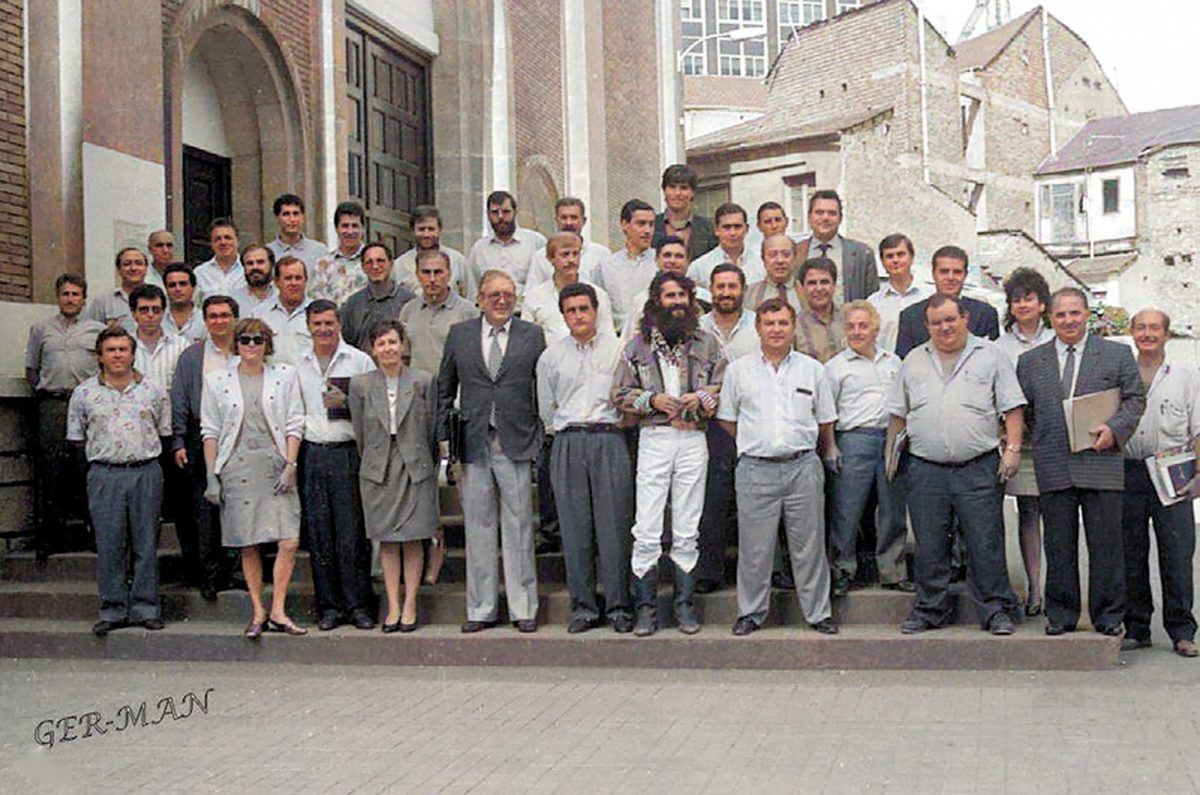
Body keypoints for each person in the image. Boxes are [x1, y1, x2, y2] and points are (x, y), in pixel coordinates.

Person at [888, 294, 1025, 635]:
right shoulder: (913, 360)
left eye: (950, 319)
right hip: (925, 467)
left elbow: (1012, 407)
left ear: (964, 318)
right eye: (936, 322)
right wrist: (892, 459)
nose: (944, 327)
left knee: (985, 542)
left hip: (977, 465)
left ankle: (994, 611)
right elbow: (898, 414)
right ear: (927, 326)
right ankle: (930, 610)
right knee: (930, 544)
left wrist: (1013, 449)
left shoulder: (991, 355)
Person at [1016, 287, 1145, 637]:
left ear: (1087, 314)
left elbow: (1135, 399)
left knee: (1105, 545)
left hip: (1102, 459)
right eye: (1061, 315)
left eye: (1075, 313)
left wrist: (1114, 430)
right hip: (1054, 462)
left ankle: (1107, 616)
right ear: (1050, 319)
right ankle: (1060, 614)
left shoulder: (1116, 355)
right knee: (1059, 544)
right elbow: (1027, 412)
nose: (1068, 320)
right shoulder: (1030, 362)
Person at [718, 298, 839, 636]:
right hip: (756, 469)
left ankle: (818, 613)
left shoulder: (812, 370)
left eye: (783, 323)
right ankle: (751, 612)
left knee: (809, 545)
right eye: (769, 323)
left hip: (803, 466)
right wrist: (758, 444)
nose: (776, 329)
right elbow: (728, 420)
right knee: (755, 548)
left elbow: (825, 420)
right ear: (758, 328)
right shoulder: (738, 370)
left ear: (792, 327)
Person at [613, 271, 724, 636]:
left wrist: (701, 397)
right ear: (655, 301)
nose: (676, 302)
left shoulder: (706, 342)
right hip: (655, 435)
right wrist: (652, 400)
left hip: (693, 436)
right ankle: (646, 609)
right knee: (646, 525)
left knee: (687, 525)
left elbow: (724, 384)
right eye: (669, 296)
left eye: (681, 296)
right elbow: (618, 393)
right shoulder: (637, 346)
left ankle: (684, 606)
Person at [437, 269, 546, 633]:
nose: (502, 300)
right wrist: (444, 439)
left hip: (515, 439)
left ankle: (523, 607)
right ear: (480, 299)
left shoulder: (532, 336)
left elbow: (540, 388)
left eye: (508, 294)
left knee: (519, 526)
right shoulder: (460, 335)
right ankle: (481, 608)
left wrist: (538, 435)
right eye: (494, 294)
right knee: (478, 527)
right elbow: (444, 389)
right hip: (473, 441)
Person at [536, 283, 634, 633]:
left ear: (596, 311)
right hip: (568, 441)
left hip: (609, 439)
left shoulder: (619, 349)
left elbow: (628, 399)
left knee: (613, 528)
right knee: (575, 529)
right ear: (563, 316)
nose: (578, 315)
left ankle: (620, 606)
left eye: (584, 309)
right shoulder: (551, 356)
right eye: (571, 310)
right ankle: (584, 607)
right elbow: (546, 408)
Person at [201, 318, 307, 638]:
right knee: (249, 542)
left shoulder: (284, 376)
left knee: (289, 539)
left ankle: (278, 608)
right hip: (238, 465)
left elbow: (294, 422)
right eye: (245, 340)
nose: (251, 345)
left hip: (276, 463)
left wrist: (291, 463)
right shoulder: (217, 380)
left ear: (267, 344)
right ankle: (258, 611)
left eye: (258, 340)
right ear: (236, 344)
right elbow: (210, 430)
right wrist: (212, 476)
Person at [67, 327, 172, 636]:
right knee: (110, 543)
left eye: (123, 349)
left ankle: (146, 608)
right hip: (104, 474)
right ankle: (113, 609)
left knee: (145, 543)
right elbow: (76, 441)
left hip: (145, 471)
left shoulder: (153, 390)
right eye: (110, 350)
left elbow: (164, 434)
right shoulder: (84, 393)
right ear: (100, 356)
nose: (117, 355)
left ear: (132, 353)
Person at [350, 320, 440, 632]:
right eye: (381, 344)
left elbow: (430, 430)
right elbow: (360, 433)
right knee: (387, 539)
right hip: (379, 467)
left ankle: (411, 603)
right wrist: (378, 457)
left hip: (414, 464)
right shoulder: (360, 385)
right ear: (372, 350)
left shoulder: (423, 381)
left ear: (402, 345)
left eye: (393, 342)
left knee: (414, 537)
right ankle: (393, 605)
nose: (388, 349)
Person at [1121, 309, 1199, 658]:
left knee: (1177, 555)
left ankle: (1182, 631)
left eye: (1155, 328)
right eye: (1141, 328)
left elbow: (1198, 429)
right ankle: (1137, 628)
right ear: (1132, 333)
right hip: (1129, 469)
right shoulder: (1121, 374)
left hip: (1173, 471)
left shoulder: (1186, 377)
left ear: (1167, 334)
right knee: (1130, 554)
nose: (1148, 334)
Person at [296, 300, 378, 631]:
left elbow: (373, 409)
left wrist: (349, 403)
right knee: (319, 535)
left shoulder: (359, 361)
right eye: (317, 324)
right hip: (313, 453)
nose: (324, 329)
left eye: (329, 323)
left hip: (348, 453)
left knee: (351, 535)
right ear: (308, 326)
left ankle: (358, 606)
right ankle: (328, 607)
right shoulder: (297, 364)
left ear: (339, 323)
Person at [824, 301, 910, 596]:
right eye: (851, 326)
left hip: (890, 438)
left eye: (863, 325)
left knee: (892, 508)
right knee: (847, 509)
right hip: (853, 439)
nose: (857, 331)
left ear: (875, 328)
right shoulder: (835, 367)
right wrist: (831, 447)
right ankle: (843, 570)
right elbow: (827, 413)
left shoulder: (893, 362)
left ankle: (893, 571)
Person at [25, 273, 105, 559]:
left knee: (89, 468)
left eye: (75, 294)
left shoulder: (97, 329)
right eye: (65, 294)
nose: (70, 299)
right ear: (58, 297)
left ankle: (94, 533)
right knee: (52, 470)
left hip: (87, 404)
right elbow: (31, 369)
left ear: (84, 298)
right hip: (54, 404)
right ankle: (52, 537)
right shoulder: (40, 328)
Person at [694, 263, 760, 592]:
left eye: (732, 286)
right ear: (711, 290)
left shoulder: (757, 326)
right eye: (719, 287)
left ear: (742, 289)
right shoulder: (698, 328)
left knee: (757, 500)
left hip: (754, 420)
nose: (725, 293)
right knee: (713, 500)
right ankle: (709, 572)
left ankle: (762, 573)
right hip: (713, 424)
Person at [170, 296, 240, 601]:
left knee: (239, 505)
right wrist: (179, 440)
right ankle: (210, 575)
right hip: (203, 438)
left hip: (240, 436)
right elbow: (180, 400)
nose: (219, 321)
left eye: (225, 315)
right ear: (206, 320)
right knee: (206, 510)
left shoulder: (246, 350)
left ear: (235, 318)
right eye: (213, 316)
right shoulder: (192, 356)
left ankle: (236, 571)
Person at [995, 268, 1055, 616]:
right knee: (1028, 512)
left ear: (1042, 303)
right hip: (1017, 438)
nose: (1022, 304)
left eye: (1029, 298)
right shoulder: (1000, 345)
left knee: (1057, 512)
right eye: (1016, 299)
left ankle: (1056, 586)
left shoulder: (1055, 337)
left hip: (1053, 436)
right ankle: (1034, 588)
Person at [895, 245, 999, 358]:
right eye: (944, 271)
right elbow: (904, 363)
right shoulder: (910, 316)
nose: (950, 277)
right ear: (933, 274)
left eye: (957, 272)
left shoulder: (985, 314)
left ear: (965, 275)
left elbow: (993, 359)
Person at [399, 249, 480, 376]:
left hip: (454, 391)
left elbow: (476, 359)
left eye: (438, 272)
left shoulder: (469, 312)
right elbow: (404, 357)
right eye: (426, 272)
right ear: (417, 275)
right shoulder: (408, 310)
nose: (432, 279)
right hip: (418, 390)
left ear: (449, 274)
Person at [522, 232, 616, 341]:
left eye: (575, 254)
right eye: (565, 254)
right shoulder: (534, 297)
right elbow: (526, 340)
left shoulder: (598, 294)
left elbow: (608, 335)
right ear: (550, 258)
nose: (571, 260)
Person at [617, 235, 712, 339]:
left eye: (679, 256)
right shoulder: (642, 300)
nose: (672, 261)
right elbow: (628, 340)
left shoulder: (704, 298)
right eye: (667, 255)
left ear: (688, 260)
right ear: (657, 259)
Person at [793, 190, 878, 303]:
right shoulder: (795, 253)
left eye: (832, 213)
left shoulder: (862, 254)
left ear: (840, 218)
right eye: (819, 212)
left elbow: (873, 300)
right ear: (809, 217)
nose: (825, 218)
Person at [593, 199, 659, 329]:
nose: (647, 230)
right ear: (624, 224)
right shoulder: (606, 266)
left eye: (651, 224)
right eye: (641, 224)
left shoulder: (661, 263)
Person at [339, 241, 415, 352]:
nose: (375, 266)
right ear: (363, 267)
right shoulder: (353, 304)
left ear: (391, 263)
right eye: (369, 262)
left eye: (380, 261)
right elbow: (346, 344)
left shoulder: (409, 301)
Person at [463, 191, 541, 298]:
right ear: (488, 215)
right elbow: (473, 288)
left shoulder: (535, 242)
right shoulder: (479, 249)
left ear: (515, 212)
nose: (500, 217)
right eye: (495, 212)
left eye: (506, 212)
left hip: (526, 311)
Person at [526, 197, 613, 290]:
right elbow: (533, 292)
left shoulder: (601, 254)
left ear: (583, 221)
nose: (568, 223)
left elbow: (609, 291)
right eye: (564, 218)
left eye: (573, 217)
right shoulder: (541, 256)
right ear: (556, 220)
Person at [867, 234, 928, 353]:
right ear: (882, 262)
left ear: (911, 257)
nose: (895, 260)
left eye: (900, 254)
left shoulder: (929, 296)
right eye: (889, 256)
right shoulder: (873, 303)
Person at [686, 203, 766, 288]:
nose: (733, 233)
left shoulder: (762, 264)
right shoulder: (699, 268)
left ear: (746, 229)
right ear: (716, 230)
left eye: (737, 227)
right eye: (727, 227)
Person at [392, 205, 467, 295]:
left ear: (439, 230)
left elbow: (470, 296)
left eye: (431, 229)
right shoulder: (399, 265)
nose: (426, 234)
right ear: (412, 230)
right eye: (421, 229)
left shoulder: (457, 260)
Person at [251, 255, 312, 365]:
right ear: (276, 282)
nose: (294, 283)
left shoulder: (318, 312)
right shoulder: (259, 314)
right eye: (288, 278)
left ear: (305, 280)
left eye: (298, 278)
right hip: (271, 378)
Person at [651, 163, 717, 261]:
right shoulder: (651, 225)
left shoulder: (708, 228)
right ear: (664, 190)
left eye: (684, 188)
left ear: (693, 192)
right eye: (672, 187)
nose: (677, 193)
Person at [311, 201, 368, 305]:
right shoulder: (323, 265)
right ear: (337, 229)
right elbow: (316, 301)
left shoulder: (374, 262)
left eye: (355, 226)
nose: (350, 231)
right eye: (345, 226)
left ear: (363, 229)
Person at [83, 247, 150, 331]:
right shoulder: (103, 302)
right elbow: (91, 333)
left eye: (138, 263)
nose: (133, 268)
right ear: (119, 270)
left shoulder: (159, 298)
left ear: (146, 268)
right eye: (127, 264)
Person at [793, 257, 846, 363]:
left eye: (824, 282)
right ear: (802, 288)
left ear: (834, 285)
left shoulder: (850, 319)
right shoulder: (794, 326)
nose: (819, 288)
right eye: (812, 283)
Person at [266, 193, 327, 276]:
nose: (292, 219)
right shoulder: (267, 252)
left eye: (296, 214)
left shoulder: (319, 251)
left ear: (302, 217)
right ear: (277, 218)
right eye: (286, 214)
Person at [745, 234, 803, 312]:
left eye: (786, 254)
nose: (780, 260)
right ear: (763, 260)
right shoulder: (749, 293)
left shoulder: (807, 291)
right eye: (772, 255)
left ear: (795, 258)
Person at [193, 218, 245, 299]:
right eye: (217, 239)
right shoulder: (200, 273)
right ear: (211, 244)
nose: (223, 242)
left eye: (227, 238)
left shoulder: (248, 270)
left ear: (238, 241)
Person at [161, 263, 206, 343]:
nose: (178, 289)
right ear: (166, 289)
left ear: (193, 287)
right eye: (172, 285)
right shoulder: (158, 319)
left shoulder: (205, 320)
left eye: (183, 284)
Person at [228, 244, 279, 314]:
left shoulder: (281, 295)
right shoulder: (233, 299)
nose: (255, 267)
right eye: (250, 263)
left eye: (260, 262)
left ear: (271, 264)